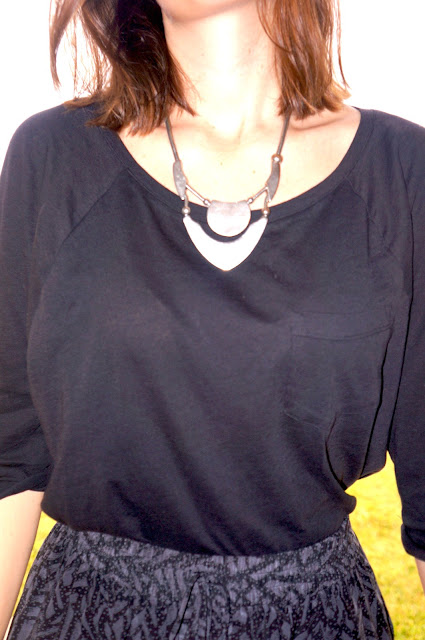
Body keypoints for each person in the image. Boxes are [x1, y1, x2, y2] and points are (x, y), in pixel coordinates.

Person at [0, 0, 424, 637]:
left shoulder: (403, 170)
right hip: (88, 614)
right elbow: (10, 448)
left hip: (311, 617)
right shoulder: (53, 154)